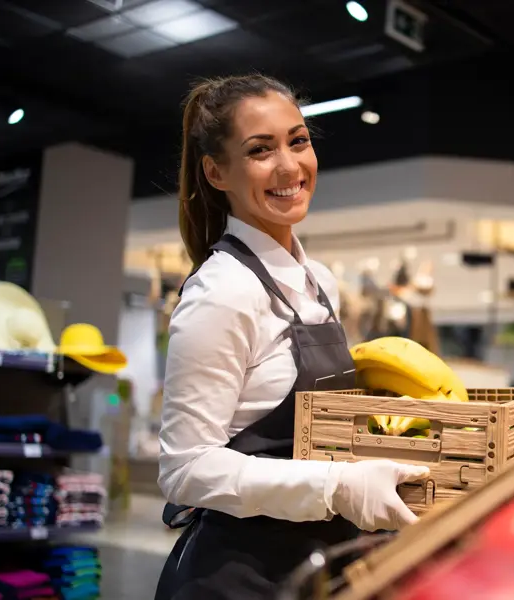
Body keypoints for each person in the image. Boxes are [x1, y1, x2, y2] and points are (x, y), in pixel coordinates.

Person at [154, 74, 429, 600]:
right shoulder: (223, 291)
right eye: (260, 150)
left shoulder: (319, 282)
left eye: (297, 141)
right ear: (217, 172)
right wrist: (337, 487)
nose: (289, 166)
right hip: (237, 577)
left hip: (314, 566)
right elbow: (185, 470)